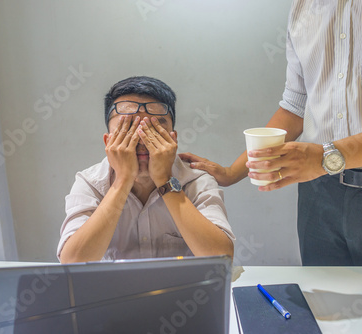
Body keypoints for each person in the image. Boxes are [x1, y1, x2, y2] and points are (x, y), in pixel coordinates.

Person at [181, 0, 362, 266]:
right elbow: (296, 105)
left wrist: (326, 156)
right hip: (319, 196)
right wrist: (232, 172)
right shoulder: (303, 7)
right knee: (324, 304)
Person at [58, 76, 234, 263]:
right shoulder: (90, 182)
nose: (142, 140)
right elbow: (72, 262)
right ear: (108, 142)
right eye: (128, 129)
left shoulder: (196, 180)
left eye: (154, 129)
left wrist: (165, 181)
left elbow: (222, 258)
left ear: (173, 140)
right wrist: (123, 180)